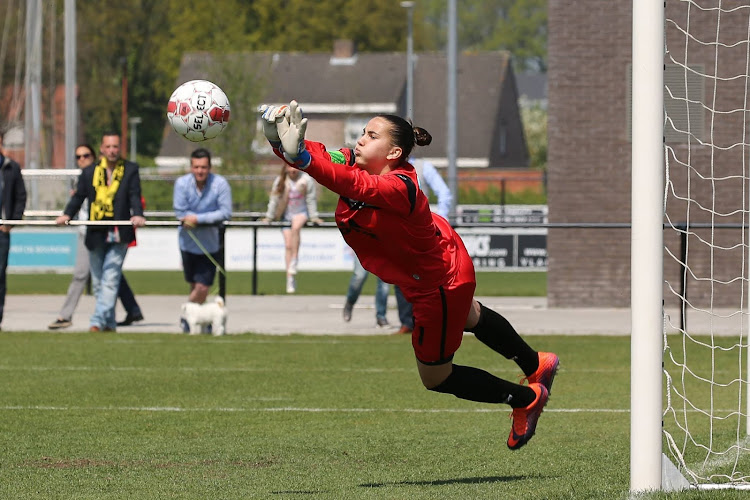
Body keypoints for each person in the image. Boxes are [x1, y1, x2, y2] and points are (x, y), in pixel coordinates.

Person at [260, 101, 559, 450]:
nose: (359, 141)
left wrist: (304, 159)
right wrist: (277, 142)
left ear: (394, 152)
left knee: (435, 376)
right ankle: (535, 362)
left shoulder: (401, 186)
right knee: (469, 314)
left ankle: (525, 399)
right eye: (362, 133)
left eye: (371, 136)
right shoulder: (352, 161)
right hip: (442, 265)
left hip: (436, 286)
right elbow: (319, 155)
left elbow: (353, 185)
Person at [56, 132, 146, 332]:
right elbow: (79, 197)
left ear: (119, 148)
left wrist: (138, 215)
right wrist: (66, 215)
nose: (112, 150)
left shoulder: (130, 169)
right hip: (96, 231)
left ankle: (96, 321)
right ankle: (109, 324)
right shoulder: (90, 172)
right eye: (108, 147)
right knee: (98, 282)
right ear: (102, 150)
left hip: (119, 231)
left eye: (116, 146)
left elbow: (134, 195)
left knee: (111, 277)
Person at [393, 158, 453, 334]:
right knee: (400, 277)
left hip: (421, 231)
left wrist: (438, 221)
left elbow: (444, 193)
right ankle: (407, 322)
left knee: (429, 276)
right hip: (398, 230)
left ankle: (433, 320)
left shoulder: (423, 167)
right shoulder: (385, 166)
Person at [173, 148, 232, 328]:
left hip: (210, 245)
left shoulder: (220, 184)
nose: (200, 171)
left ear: (210, 167)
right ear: (191, 167)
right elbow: (180, 211)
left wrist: (198, 219)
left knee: (202, 287)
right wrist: (188, 218)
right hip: (187, 243)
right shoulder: (182, 184)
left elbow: (225, 212)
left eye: (204, 167)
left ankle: (186, 318)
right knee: (194, 285)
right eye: (197, 167)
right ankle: (202, 322)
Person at [262, 163, 323, 293]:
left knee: (296, 228)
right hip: (286, 216)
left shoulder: (306, 180)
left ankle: (294, 260)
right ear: (285, 168)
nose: (292, 170)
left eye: (294, 167)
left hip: (301, 213)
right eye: (290, 167)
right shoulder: (281, 181)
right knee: (288, 245)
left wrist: (314, 217)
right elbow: (274, 200)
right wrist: (269, 217)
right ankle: (290, 277)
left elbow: (311, 200)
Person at [0, 132, 27, 330]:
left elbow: (21, 197)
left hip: (2, 231)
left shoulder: (11, 167)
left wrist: (11, 221)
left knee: (0, 276)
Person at [342, 254, 391, 327]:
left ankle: (381, 316)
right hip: (363, 245)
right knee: (359, 276)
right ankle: (350, 302)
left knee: (384, 282)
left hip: (383, 247)